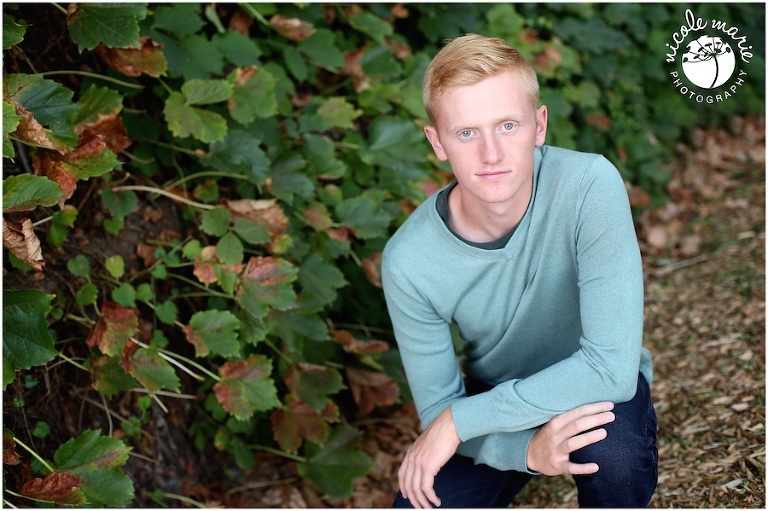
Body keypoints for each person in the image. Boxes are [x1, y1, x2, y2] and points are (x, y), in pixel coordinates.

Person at [381, 34, 658, 508]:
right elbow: (437, 409)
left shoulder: (588, 186)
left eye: (508, 125)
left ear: (540, 124)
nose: (491, 154)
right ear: (437, 142)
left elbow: (611, 368)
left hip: (589, 382)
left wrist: (458, 421)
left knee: (616, 458)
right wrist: (525, 450)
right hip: (493, 394)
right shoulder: (408, 261)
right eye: (466, 132)